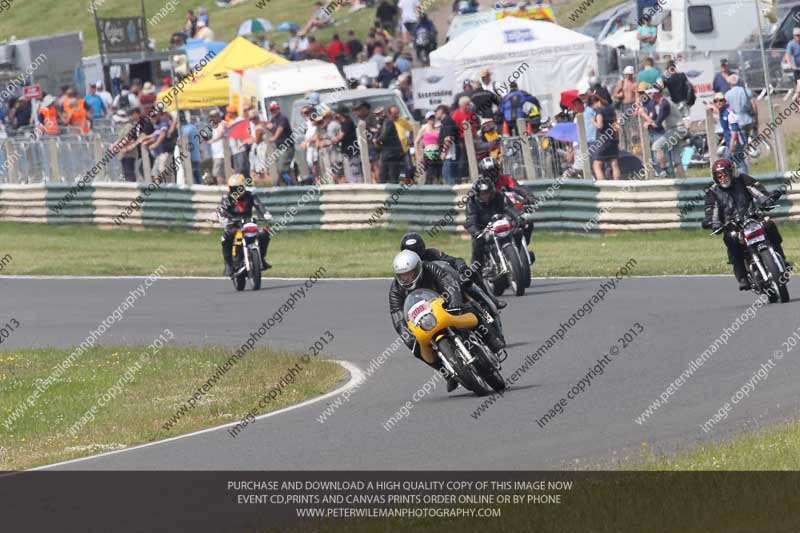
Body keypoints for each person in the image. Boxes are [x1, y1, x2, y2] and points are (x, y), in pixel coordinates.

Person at [702, 158, 787, 291]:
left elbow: (760, 193)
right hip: (732, 226)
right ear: (715, 178)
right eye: (719, 176)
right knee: (731, 239)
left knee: (768, 224)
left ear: (732, 172)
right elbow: (711, 210)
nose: (723, 178)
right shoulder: (713, 192)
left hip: (752, 217)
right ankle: (742, 277)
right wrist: (713, 223)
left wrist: (768, 199)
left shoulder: (744, 180)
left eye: (725, 174)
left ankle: (781, 258)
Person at [389, 250, 465, 392]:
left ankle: (489, 336)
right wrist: (408, 336)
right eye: (402, 275)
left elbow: (447, 281)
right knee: (416, 349)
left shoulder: (430, 268)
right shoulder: (395, 290)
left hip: (445, 305)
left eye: (410, 273)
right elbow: (397, 316)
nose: (407, 278)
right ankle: (446, 374)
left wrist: (455, 301)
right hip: (424, 320)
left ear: (418, 268)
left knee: (468, 308)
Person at [399, 233, 507, 331]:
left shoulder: (432, 253)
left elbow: (455, 260)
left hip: (449, 283)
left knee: (470, 273)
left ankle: (491, 299)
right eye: (411, 253)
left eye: (417, 251)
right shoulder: (406, 274)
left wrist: (462, 267)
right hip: (430, 299)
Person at [464, 179, 523, 277]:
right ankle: (477, 274)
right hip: (482, 229)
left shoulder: (500, 196)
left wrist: (518, 218)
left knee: (517, 232)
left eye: (488, 193)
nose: (486, 195)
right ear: (478, 194)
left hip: (500, 223)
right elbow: (471, 219)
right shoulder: (472, 202)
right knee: (477, 244)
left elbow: (510, 208)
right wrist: (476, 232)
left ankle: (516, 256)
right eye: (483, 193)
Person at [218, 173, 272, 277]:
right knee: (226, 238)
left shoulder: (250, 195)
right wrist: (224, 219)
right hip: (233, 224)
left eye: (237, 188)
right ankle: (228, 264)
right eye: (233, 188)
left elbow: (259, 206)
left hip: (248, 222)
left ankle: (261, 258)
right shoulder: (227, 199)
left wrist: (265, 214)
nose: (235, 191)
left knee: (264, 233)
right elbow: (221, 211)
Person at [646, 86, 685, 178]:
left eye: (652, 92)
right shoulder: (660, 103)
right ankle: (684, 182)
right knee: (677, 160)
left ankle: (664, 171)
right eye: (649, 92)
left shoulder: (664, 104)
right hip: (677, 130)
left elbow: (657, 123)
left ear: (658, 93)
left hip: (676, 130)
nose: (650, 94)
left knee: (656, 146)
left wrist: (648, 123)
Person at [708, 92, 747, 174]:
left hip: (736, 141)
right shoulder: (722, 112)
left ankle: (745, 180)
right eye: (716, 101)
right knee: (729, 160)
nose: (718, 103)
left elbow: (734, 129)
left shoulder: (729, 113)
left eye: (721, 100)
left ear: (725, 101)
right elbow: (718, 113)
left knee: (738, 162)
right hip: (730, 140)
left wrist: (732, 144)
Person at [590, 95, 621, 180]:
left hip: (603, 141)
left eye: (592, 105)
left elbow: (600, 126)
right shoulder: (611, 110)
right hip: (613, 139)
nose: (593, 108)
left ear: (597, 102)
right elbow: (616, 125)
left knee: (596, 165)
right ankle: (618, 184)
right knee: (614, 163)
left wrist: (593, 122)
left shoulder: (599, 111)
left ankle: (603, 187)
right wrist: (617, 138)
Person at [266, 101, 295, 185]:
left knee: (282, 169)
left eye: (274, 110)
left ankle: (291, 186)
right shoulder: (273, 120)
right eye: (271, 110)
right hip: (279, 147)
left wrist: (274, 138)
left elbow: (279, 129)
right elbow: (272, 128)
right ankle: (289, 185)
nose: (273, 112)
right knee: (280, 169)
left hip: (287, 147)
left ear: (278, 109)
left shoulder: (282, 118)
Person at [724, 74, 757, 146]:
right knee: (752, 136)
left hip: (737, 122)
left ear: (729, 83)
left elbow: (726, 110)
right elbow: (754, 106)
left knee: (741, 141)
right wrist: (756, 119)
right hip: (749, 119)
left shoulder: (727, 95)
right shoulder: (747, 91)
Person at [333, 105, 363, 183]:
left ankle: (359, 186)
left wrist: (332, 139)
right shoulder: (343, 124)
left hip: (352, 152)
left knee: (355, 171)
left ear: (340, 114)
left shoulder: (348, 122)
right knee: (349, 172)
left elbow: (340, 137)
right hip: (347, 152)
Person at [415, 110, 442, 183]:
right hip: (428, 153)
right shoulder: (424, 128)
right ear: (427, 119)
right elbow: (416, 142)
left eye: (433, 117)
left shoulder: (438, 128)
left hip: (437, 153)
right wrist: (418, 156)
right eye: (430, 118)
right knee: (430, 174)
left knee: (438, 174)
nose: (432, 119)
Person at [436, 104, 459, 184]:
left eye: (436, 112)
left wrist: (443, 153)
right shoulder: (445, 121)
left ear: (441, 111)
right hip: (448, 155)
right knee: (447, 177)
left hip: (448, 155)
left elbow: (448, 138)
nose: (436, 114)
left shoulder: (447, 120)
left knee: (448, 179)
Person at [179, 112, 202, 185]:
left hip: (189, 156)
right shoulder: (192, 127)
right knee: (197, 173)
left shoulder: (183, 129)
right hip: (197, 154)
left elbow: (180, 142)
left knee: (190, 174)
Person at [206, 109, 227, 184]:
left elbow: (221, 134)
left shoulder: (222, 123)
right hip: (216, 154)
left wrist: (212, 141)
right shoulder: (215, 125)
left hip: (221, 154)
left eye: (213, 117)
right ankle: (221, 187)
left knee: (218, 173)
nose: (212, 119)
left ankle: (222, 188)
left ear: (218, 116)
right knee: (218, 173)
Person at [786, 28, 800, 97]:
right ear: (794, 36)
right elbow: (788, 55)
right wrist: (791, 64)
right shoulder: (791, 44)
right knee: (799, 83)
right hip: (796, 68)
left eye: (799, 35)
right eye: (797, 35)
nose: (799, 37)